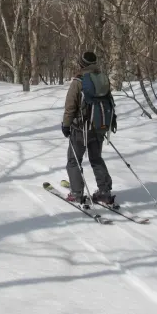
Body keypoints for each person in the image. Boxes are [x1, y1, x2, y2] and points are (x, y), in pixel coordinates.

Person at [61, 51, 115, 205]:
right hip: (99, 127)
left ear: (81, 64)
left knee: (74, 161)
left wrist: (66, 125)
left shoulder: (78, 81)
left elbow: (70, 107)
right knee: (96, 159)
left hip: (81, 129)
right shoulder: (103, 79)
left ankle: (77, 193)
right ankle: (104, 191)